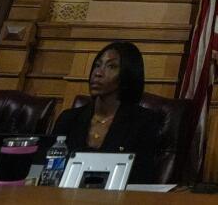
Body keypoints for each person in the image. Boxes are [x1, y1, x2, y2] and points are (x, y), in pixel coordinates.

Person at [52, 41, 163, 184]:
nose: (98, 73)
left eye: (111, 66)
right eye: (97, 65)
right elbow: (49, 169)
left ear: (127, 74)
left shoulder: (144, 122)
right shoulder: (68, 118)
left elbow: (142, 179)